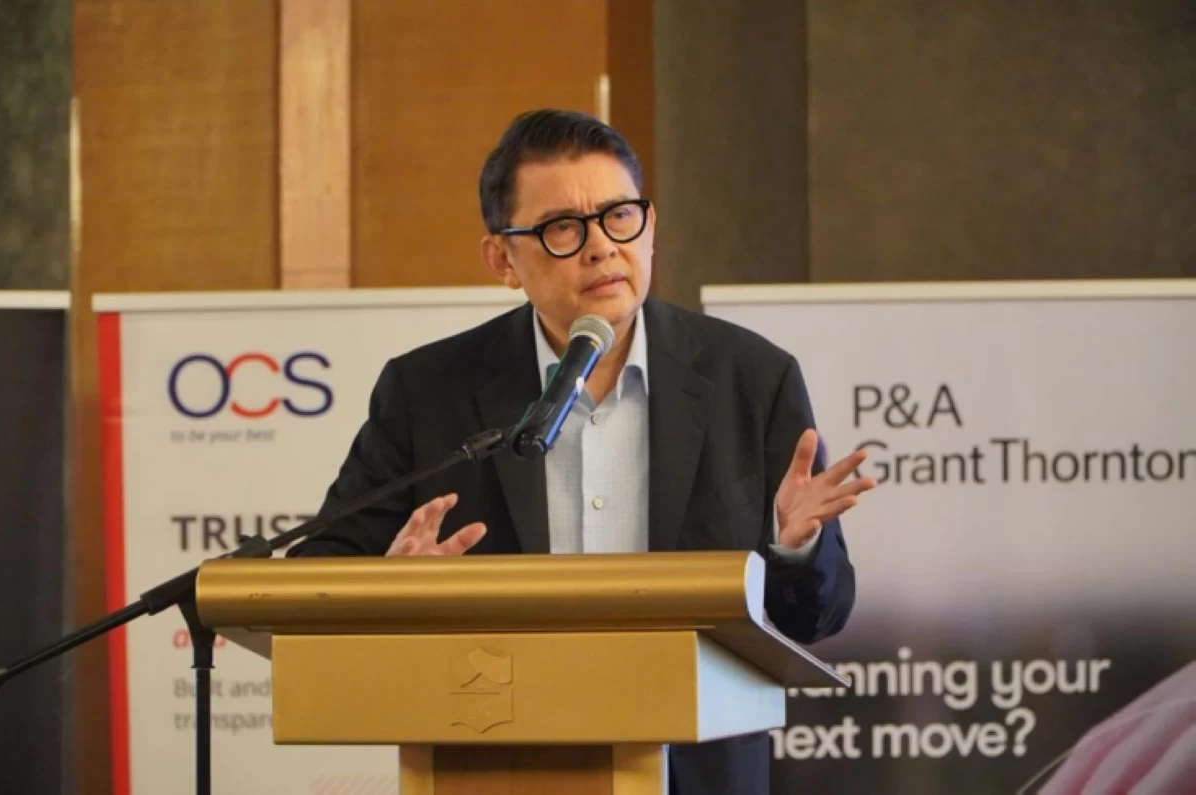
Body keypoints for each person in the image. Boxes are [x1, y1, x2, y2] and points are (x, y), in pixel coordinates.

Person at [287, 108, 876, 795]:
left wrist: (797, 550)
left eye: (619, 216)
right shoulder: (428, 392)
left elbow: (816, 617)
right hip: (496, 765)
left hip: (696, 774)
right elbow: (320, 571)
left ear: (649, 228)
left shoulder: (751, 380)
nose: (601, 247)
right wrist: (390, 588)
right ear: (502, 259)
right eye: (562, 227)